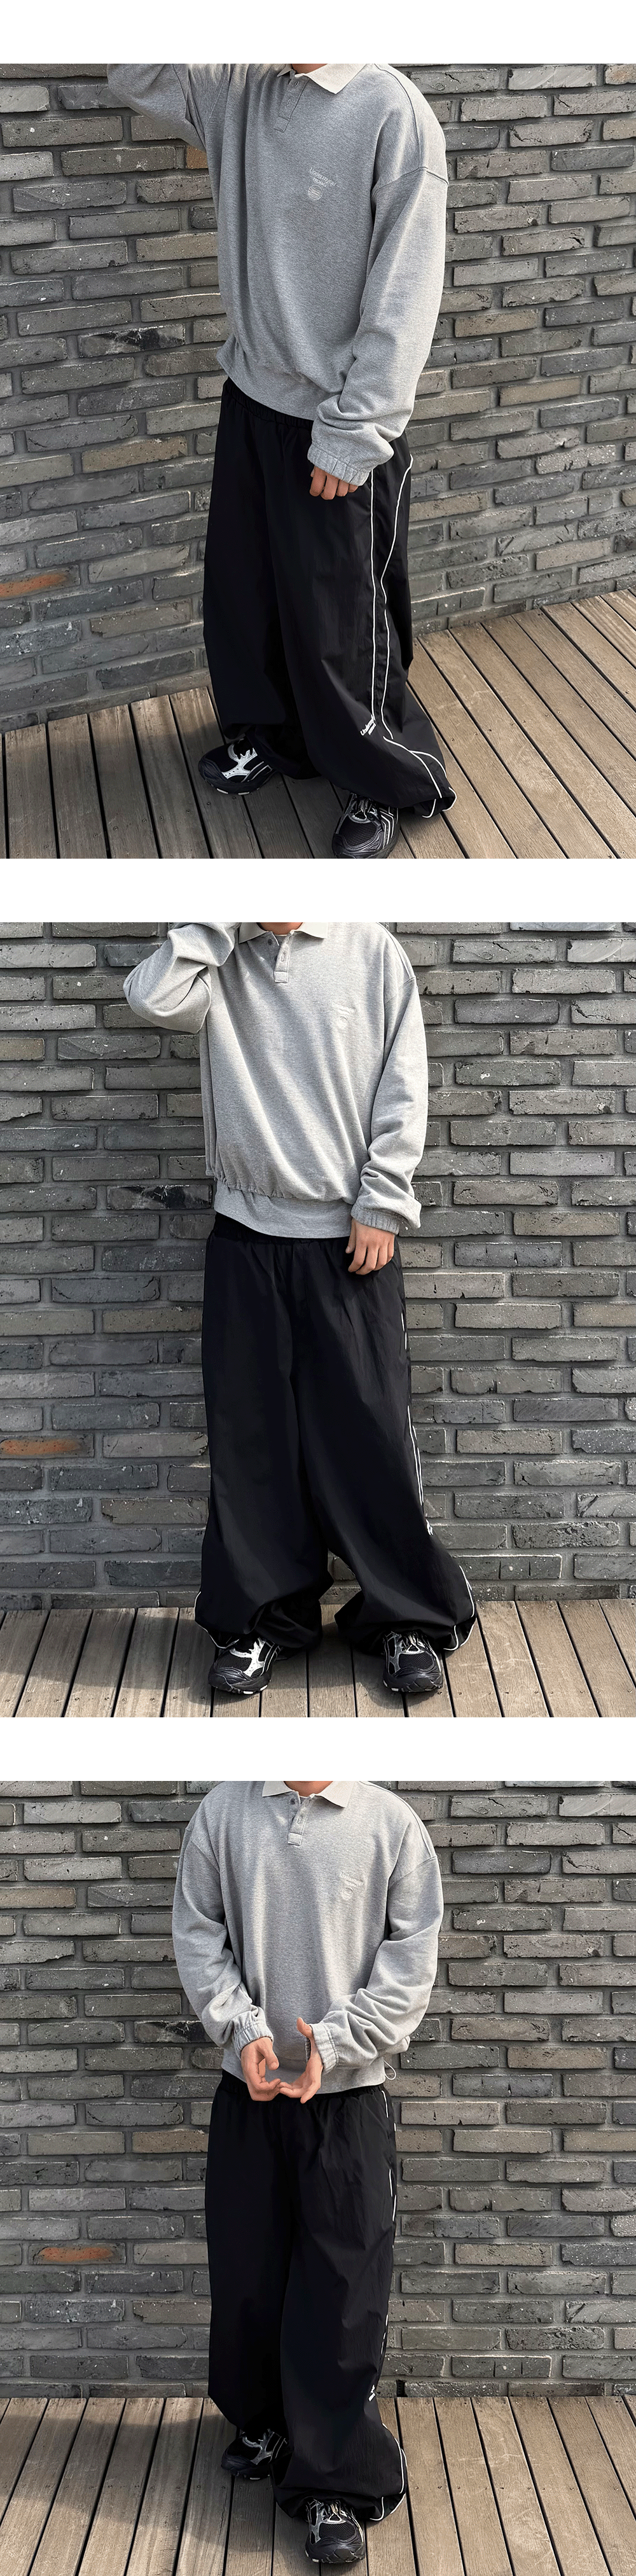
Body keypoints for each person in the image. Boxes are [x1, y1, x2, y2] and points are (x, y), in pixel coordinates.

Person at [106, 63, 455, 857]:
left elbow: (406, 293)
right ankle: (278, 736)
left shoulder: (391, 113)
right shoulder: (240, 84)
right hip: (252, 398)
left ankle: (384, 777)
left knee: (342, 622)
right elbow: (132, 68)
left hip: (338, 418)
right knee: (248, 595)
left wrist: (354, 433)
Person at [123, 920, 475, 1698]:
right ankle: (261, 1621)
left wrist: (383, 1203)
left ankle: (406, 1618)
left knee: (371, 1437)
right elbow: (152, 997)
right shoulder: (220, 953)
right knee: (250, 1441)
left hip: (350, 1236)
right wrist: (221, 918)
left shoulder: (370, 949)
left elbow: (403, 1081)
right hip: (244, 1233)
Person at [172, 1776, 444, 2563]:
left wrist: (334, 2043)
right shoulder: (222, 1814)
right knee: (248, 2276)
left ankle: (336, 2485)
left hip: (347, 2101)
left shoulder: (390, 1825)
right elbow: (199, 1933)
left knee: (342, 2291)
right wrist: (241, 2028)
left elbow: (409, 1964)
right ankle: (266, 2423)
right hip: (248, 2092)